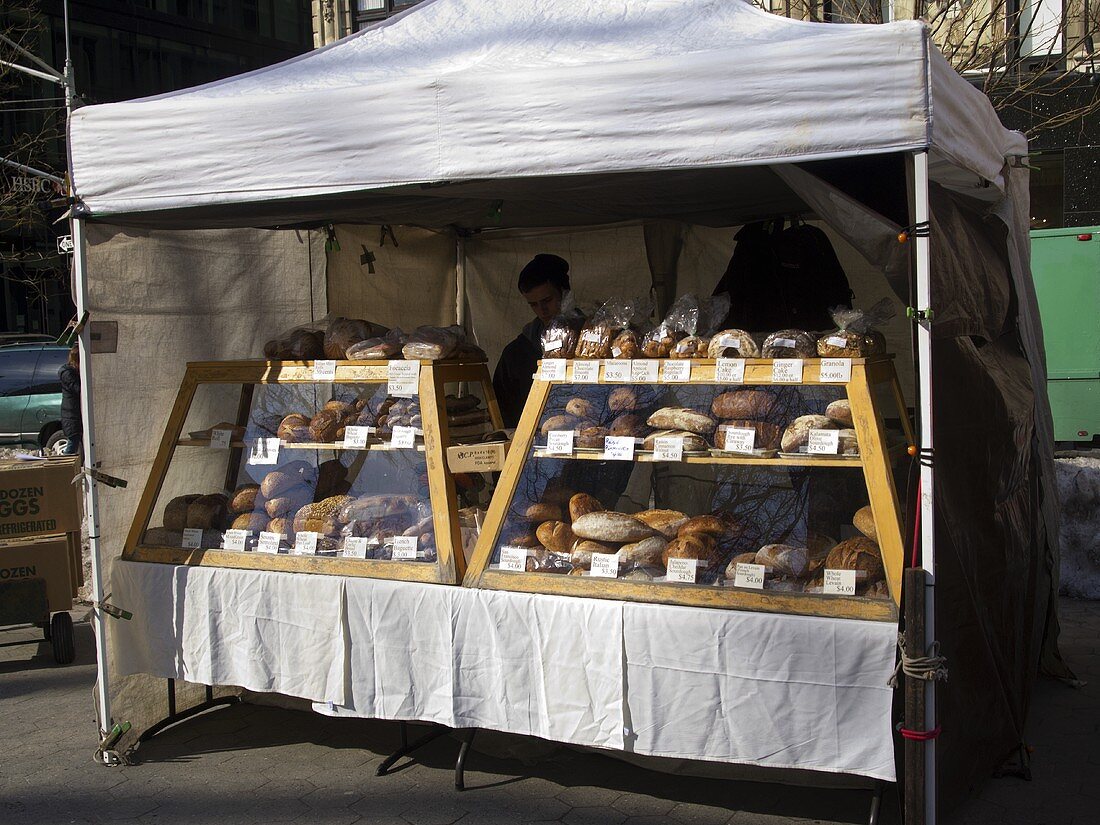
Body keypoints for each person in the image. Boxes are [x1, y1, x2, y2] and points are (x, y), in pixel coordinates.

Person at [492, 254, 570, 428]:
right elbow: (503, 410)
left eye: (547, 300)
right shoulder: (516, 353)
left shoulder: (592, 341)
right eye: (533, 304)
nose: (542, 310)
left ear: (564, 293)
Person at [58, 345, 82, 455]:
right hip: (72, 415)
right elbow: (78, 389)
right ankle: (63, 467)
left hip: (74, 415)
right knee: (72, 445)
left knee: (76, 443)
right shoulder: (68, 374)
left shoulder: (70, 372)